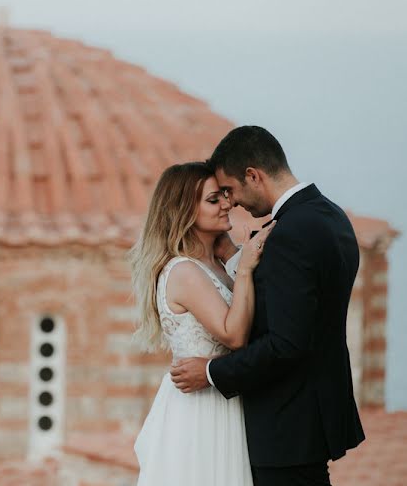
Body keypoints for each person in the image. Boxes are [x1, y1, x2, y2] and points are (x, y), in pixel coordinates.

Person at [170, 126, 364, 486]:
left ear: (253, 175)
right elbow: (294, 299)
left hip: (285, 424)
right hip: (313, 415)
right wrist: (234, 259)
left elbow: (285, 344)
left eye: (229, 190)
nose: (232, 203)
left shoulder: (289, 234)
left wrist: (211, 373)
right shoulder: (329, 217)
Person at [130, 161, 275, 486]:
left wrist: (235, 257)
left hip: (222, 397)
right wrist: (248, 266)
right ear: (185, 211)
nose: (226, 204)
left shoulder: (213, 265)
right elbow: (235, 335)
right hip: (201, 408)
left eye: (224, 195)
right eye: (213, 200)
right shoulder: (184, 271)